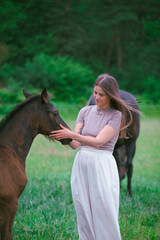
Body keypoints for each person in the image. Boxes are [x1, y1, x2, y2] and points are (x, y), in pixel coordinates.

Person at [49, 73, 138, 240]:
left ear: (111, 95)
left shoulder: (115, 115)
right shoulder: (84, 111)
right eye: (95, 92)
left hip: (101, 165)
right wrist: (62, 135)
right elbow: (76, 144)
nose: (96, 97)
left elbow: (98, 142)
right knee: (83, 208)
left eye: (101, 94)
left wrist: (72, 134)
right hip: (82, 164)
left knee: (103, 209)